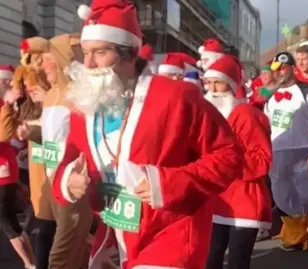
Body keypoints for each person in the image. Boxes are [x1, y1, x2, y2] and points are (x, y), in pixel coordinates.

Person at [52, 1, 244, 268]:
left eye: (100, 52)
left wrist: (169, 183)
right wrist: (67, 182)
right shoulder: (83, 107)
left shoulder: (176, 97)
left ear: (129, 53)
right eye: (85, 52)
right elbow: (66, 164)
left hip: (170, 236)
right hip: (114, 238)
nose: (89, 63)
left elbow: (229, 155)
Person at [203, 55, 272, 269]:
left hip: (243, 200)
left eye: (218, 82)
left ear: (231, 85)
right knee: (210, 258)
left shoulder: (245, 115)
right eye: (209, 83)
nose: (213, 89)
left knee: (236, 262)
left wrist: (227, 162)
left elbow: (262, 160)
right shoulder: (208, 114)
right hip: (217, 200)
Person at [265, 51, 308, 253]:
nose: (278, 73)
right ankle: (295, 236)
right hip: (279, 152)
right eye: (275, 70)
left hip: (305, 149)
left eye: (282, 69)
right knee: (284, 194)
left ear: (293, 69)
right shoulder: (271, 98)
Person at [40, 33, 94, 269]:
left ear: (62, 60)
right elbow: (50, 135)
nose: (42, 66)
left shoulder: (80, 94)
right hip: (52, 179)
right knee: (78, 252)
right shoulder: (50, 95)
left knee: (59, 258)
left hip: (73, 181)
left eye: (47, 59)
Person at [0, 64, 36, 269]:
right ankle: (31, 262)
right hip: (7, 168)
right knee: (10, 221)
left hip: (4, 170)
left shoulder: (6, 105)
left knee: (7, 222)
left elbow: (6, 135)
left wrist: (9, 104)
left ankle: (30, 263)